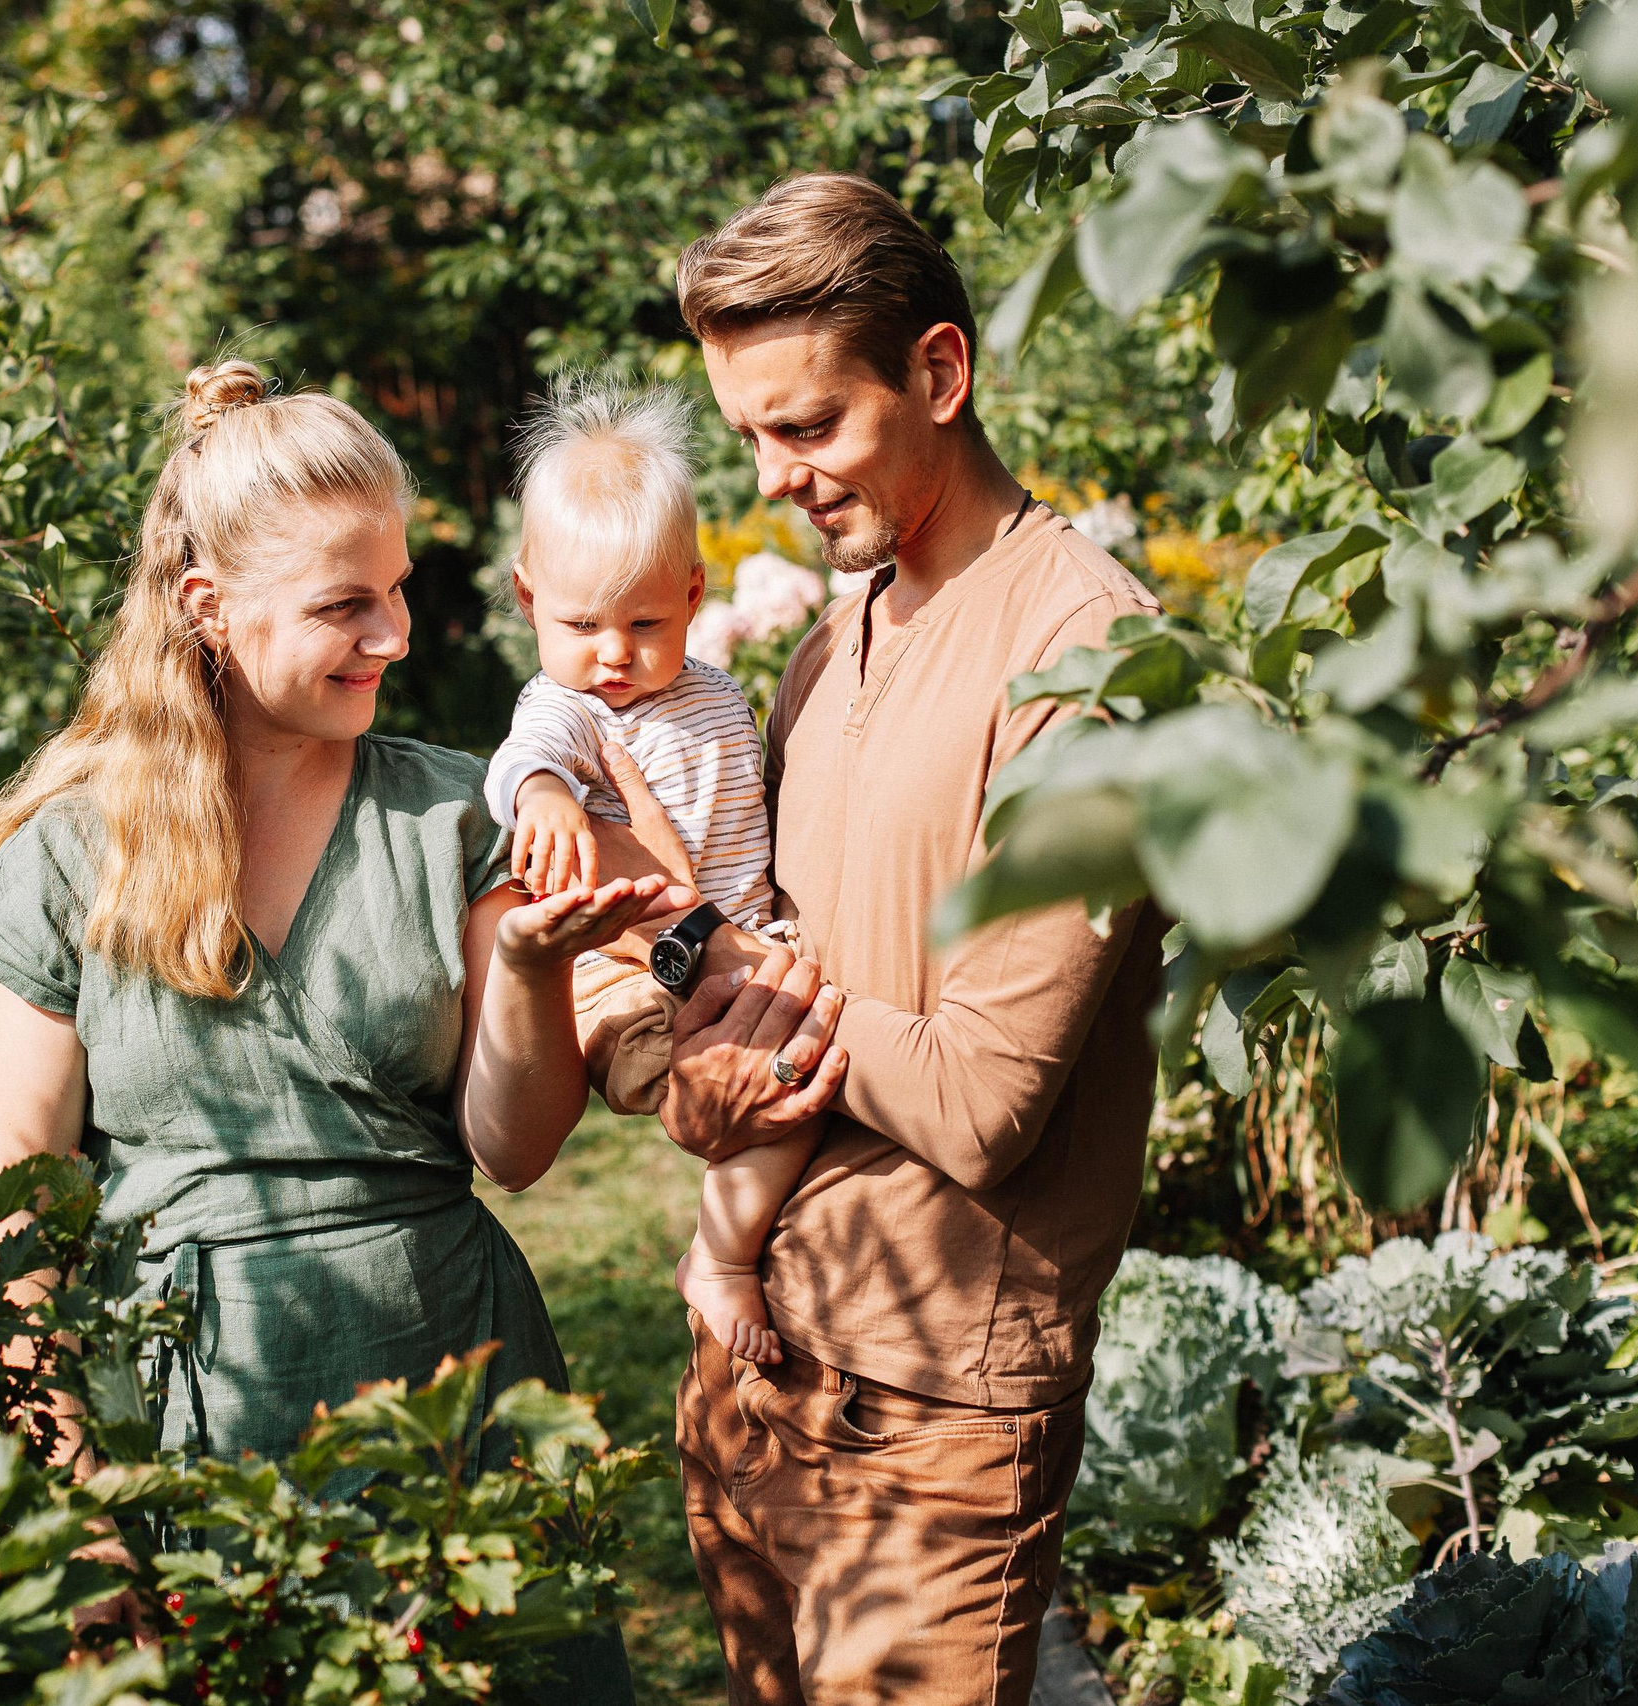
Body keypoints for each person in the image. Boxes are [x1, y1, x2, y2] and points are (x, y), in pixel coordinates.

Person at [0, 359, 666, 1703]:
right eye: (344, 604)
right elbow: (14, 1223)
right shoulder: (64, 858)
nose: (393, 634)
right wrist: (78, 1497)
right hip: (189, 1408)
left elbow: (516, 1146)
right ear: (208, 607)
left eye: (394, 590)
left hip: (450, 1373)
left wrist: (529, 978)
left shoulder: (458, 818)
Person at [597, 175, 1170, 1704]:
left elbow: (982, 1099)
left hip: (932, 1414)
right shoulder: (825, 645)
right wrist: (704, 1068)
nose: (773, 478)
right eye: (748, 436)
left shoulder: (1084, 657)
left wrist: (758, 1002)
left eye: (807, 427)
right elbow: (752, 977)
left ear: (938, 372)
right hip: (751, 1360)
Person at [480, 376, 814, 1368]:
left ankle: (725, 1246)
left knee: (798, 1083)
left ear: (694, 598)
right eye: (581, 626)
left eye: (643, 625)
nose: (613, 655)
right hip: (620, 973)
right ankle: (721, 1254)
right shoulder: (568, 708)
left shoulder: (717, 691)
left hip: (739, 942)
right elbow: (520, 759)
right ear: (529, 600)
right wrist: (543, 796)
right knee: (743, 1096)